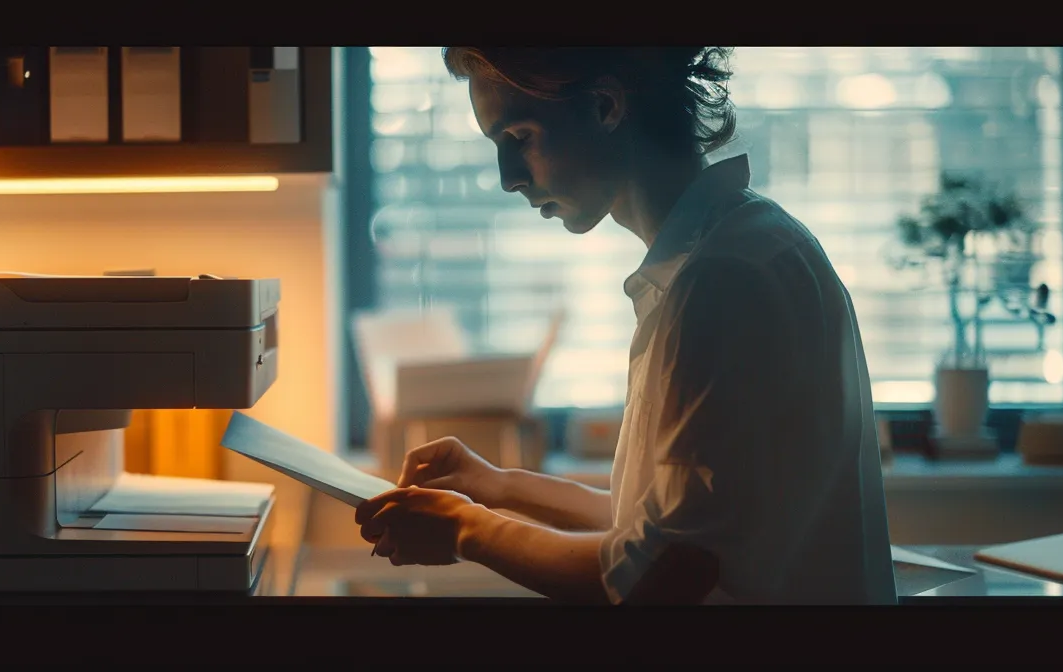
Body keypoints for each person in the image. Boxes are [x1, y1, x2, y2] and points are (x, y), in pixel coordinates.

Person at [355, 47, 898, 605]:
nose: (508, 178)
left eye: (520, 137)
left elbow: (665, 573)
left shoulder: (723, 279)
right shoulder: (737, 247)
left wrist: (466, 530)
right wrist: (498, 486)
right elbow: (665, 526)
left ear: (605, 106)